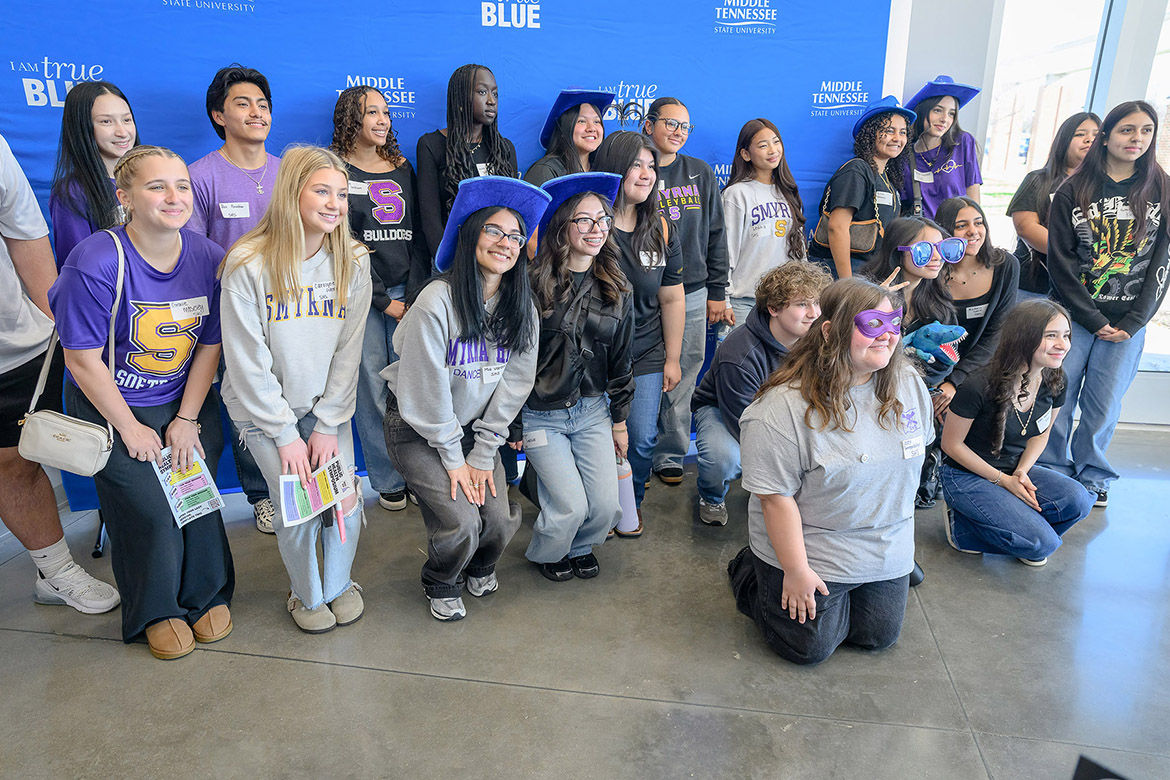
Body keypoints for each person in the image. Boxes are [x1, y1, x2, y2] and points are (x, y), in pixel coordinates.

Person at [49, 145, 233, 660]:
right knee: (150, 512)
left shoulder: (207, 257)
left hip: (183, 402)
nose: (174, 197)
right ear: (124, 196)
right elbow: (82, 360)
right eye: (157, 186)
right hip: (111, 406)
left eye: (181, 185)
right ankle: (156, 609)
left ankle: (205, 594)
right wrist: (129, 426)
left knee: (197, 501)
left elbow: (210, 345)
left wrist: (188, 418)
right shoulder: (96, 259)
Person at [728, 277, 932, 665]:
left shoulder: (908, 385)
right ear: (830, 331)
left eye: (894, 324)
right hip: (812, 544)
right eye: (873, 324)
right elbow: (774, 499)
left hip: (883, 541)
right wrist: (796, 570)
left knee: (877, 636)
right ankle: (751, 570)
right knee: (808, 648)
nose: (887, 336)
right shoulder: (780, 410)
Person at [219, 146, 370, 634]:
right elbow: (247, 364)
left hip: (324, 408)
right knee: (300, 509)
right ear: (292, 193)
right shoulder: (247, 264)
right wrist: (286, 435)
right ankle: (306, 595)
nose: (334, 204)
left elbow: (350, 351)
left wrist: (328, 424)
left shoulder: (352, 259)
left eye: (341, 194)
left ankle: (339, 583)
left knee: (344, 498)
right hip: (264, 416)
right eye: (322, 191)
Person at [383, 176, 546, 621]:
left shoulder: (521, 306)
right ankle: (442, 578)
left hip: (476, 433)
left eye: (515, 236)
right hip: (418, 428)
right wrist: (455, 459)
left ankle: (480, 562)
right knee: (461, 519)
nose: (505, 243)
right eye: (494, 231)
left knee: (496, 519)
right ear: (471, 236)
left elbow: (516, 383)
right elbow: (425, 389)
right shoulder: (437, 300)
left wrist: (483, 452)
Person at [0, 134, 120, 618]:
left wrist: (61, 325)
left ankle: (56, 572)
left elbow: (24, 233)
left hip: (12, 346)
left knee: (16, 462)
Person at [1041, 100, 1170, 508]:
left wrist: (1136, 319)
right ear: (1107, 136)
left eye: (1146, 130)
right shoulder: (1071, 191)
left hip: (1129, 321)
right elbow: (1060, 263)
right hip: (1075, 318)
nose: (1137, 138)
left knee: (1104, 402)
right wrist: (1091, 317)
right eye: (1127, 130)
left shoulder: (1162, 189)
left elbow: (1162, 261)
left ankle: (1094, 474)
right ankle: (1052, 470)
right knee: (1060, 396)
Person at [516, 172, 633, 580]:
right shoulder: (531, 282)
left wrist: (619, 420)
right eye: (585, 220)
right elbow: (513, 361)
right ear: (562, 225)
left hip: (592, 411)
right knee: (570, 507)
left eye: (602, 219)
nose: (596, 229)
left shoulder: (617, 285)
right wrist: (512, 420)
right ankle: (549, 554)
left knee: (604, 507)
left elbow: (621, 359)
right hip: (541, 413)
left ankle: (580, 545)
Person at [187, 63, 280, 534]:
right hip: (230, 316)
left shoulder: (288, 173)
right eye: (243, 104)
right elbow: (190, 254)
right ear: (218, 115)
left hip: (291, 310)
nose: (256, 112)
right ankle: (262, 495)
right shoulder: (200, 177)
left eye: (262, 104)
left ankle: (303, 485)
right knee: (245, 403)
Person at [331, 85, 431, 512]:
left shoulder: (403, 167)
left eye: (386, 112)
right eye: (371, 112)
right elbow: (341, 242)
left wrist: (413, 292)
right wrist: (380, 299)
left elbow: (423, 233)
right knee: (372, 385)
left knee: (417, 384)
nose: (382, 120)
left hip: (410, 291)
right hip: (363, 295)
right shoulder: (334, 169)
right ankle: (387, 476)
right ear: (349, 118)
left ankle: (422, 472)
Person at [940, 299, 1093, 565]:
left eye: (1066, 335)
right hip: (966, 474)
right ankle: (962, 529)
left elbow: (1041, 434)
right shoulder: (978, 384)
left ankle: (1017, 526)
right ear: (1024, 337)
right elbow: (951, 446)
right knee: (1040, 543)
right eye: (1051, 336)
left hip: (1014, 467)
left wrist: (1021, 472)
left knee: (1078, 500)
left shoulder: (1056, 379)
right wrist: (1003, 481)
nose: (1063, 345)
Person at [690, 262, 831, 526]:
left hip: (790, 414)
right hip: (727, 412)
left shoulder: (818, 339)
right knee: (725, 458)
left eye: (816, 303)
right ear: (774, 309)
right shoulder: (740, 354)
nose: (814, 313)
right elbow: (744, 426)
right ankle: (711, 495)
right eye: (802, 304)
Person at [593, 132, 684, 534]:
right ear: (615, 167)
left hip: (646, 352)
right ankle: (597, 510)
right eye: (636, 165)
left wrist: (673, 358)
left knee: (643, 439)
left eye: (652, 167)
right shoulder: (590, 223)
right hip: (593, 353)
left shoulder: (661, 228)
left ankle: (631, 504)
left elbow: (672, 299)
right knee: (596, 440)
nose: (646, 174)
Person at [641, 96, 728, 487]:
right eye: (670, 124)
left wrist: (717, 289)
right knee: (639, 369)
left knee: (684, 372)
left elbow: (715, 233)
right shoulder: (633, 168)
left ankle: (670, 452)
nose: (677, 132)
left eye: (684, 127)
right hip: (640, 290)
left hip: (692, 290)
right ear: (648, 125)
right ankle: (629, 453)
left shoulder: (699, 172)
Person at [416, 64, 519, 261]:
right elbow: (430, 218)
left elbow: (511, 213)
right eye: (482, 92)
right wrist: (448, 263)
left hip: (497, 257)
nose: (491, 101)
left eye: (495, 94)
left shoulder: (504, 149)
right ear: (461, 98)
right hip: (453, 260)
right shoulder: (432, 145)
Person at [809, 96, 914, 279]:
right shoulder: (856, 170)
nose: (897, 138)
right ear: (870, 133)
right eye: (889, 131)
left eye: (903, 132)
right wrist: (847, 283)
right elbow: (837, 227)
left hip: (870, 271)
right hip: (842, 271)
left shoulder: (887, 178)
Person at [933, 196, 1020, 415]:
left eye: (978, 222)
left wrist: (955, 381)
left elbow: (997, 334)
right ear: (944, 232)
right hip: (935, 370)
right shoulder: (932, 269)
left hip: (983, 367)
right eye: (961, 226)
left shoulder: (1006, 266)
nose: (973, 231)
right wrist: (942, 383)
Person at [721, 118, 807, 330]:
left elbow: (799, 251)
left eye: (776, 142)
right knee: (741, 362)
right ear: (746, 154)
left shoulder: (788, 192)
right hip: (745, 302)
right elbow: (725, 254)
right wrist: (725, 300)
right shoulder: (736, 194)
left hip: (786, 300)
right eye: (763, 145)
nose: (772, 150)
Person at [862, 216, 962, 391]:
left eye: (941, 247)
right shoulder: (866, 292)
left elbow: (945, 362)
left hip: (918, 392)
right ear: (898, 253)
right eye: (925, 249)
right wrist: (873, 303)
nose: (938, 256)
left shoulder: (939, 300)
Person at [1007, 112, 1101, 296]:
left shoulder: (1105, 185)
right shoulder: (1038, 179)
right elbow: (1025, 227)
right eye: (1080, 134)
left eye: (1096, 135)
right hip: (1035, 287)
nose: (1089, 140)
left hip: (1084, 292)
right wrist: (1074, 253)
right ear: (1064, 140)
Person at [49, 81, 138, 268]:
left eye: (127, 119)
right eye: (106, 121)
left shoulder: (151, 180)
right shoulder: (71, 193)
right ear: (83, 127)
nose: (122, 132)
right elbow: (77, 267)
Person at [900, 75, 983, 219]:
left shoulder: (963, 142)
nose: (945, 119)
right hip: (922, 238)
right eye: (938, 110)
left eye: (951, 113)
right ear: (922, 110)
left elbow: (974, 201)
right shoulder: (903, 154)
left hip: (956, 236)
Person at [523, 90, 614, 186]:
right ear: (564, 128)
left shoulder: (602, 170)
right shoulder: (545, 171)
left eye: (596, 122)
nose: (591, 128)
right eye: (582, 121)